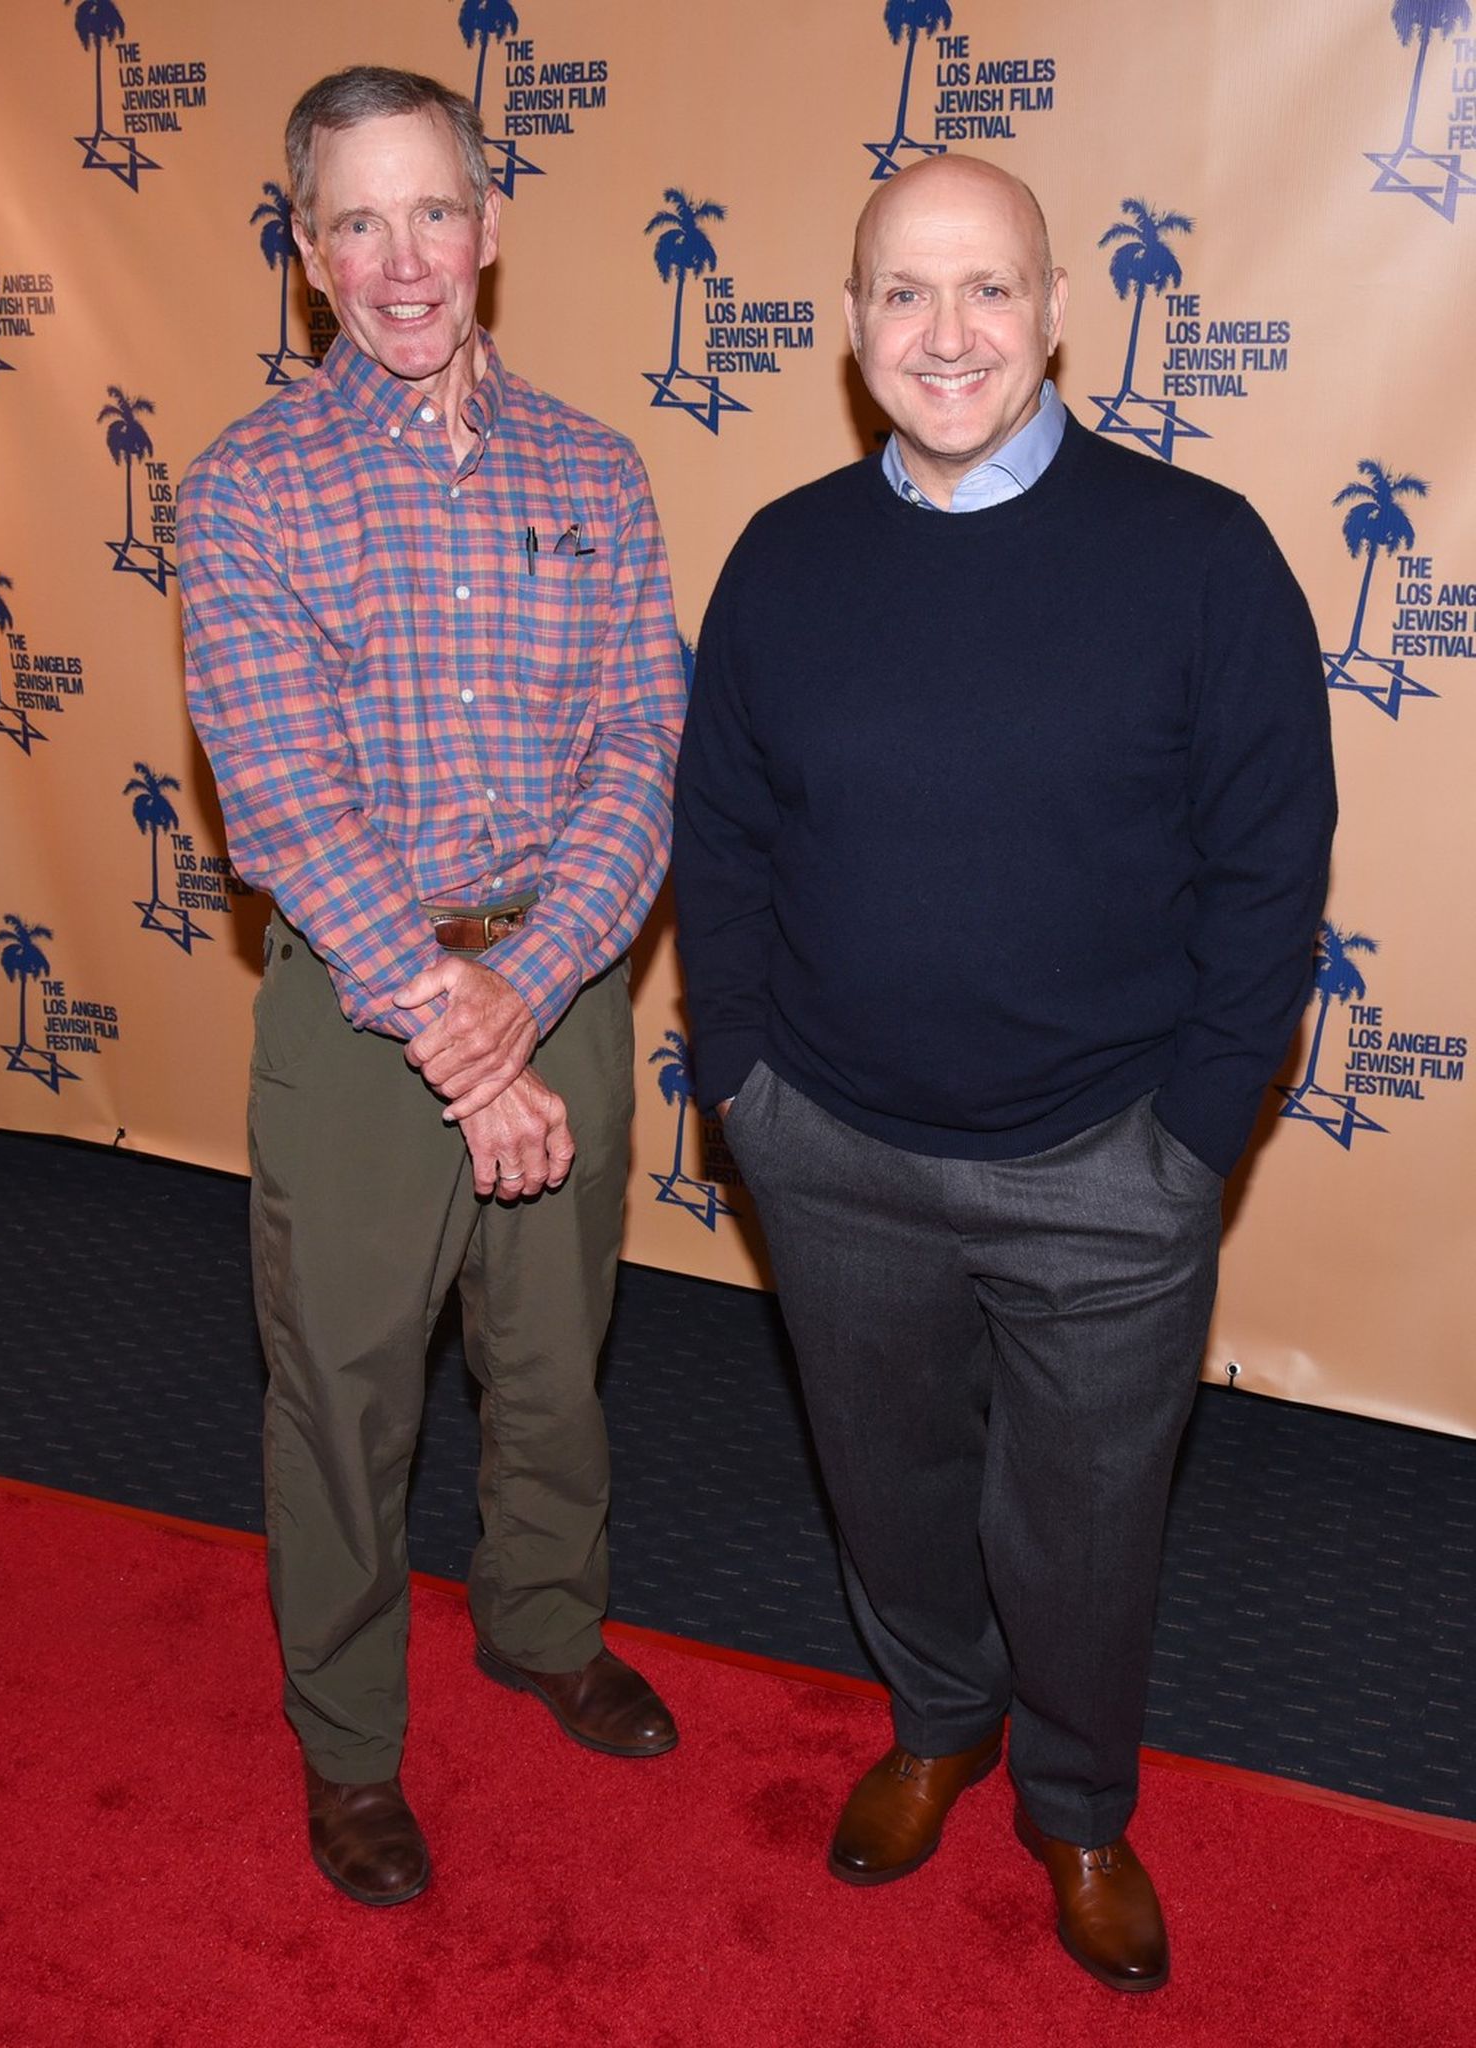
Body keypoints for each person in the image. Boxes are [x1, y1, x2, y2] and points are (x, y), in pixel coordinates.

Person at [672, 155, 1334, 1992]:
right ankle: (938, 1721)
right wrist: (747, 1081)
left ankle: (1078, 1802)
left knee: (1088, 1524)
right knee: (884, 1480)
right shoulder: (785, 555)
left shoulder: (1202, 556)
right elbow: (720, 835)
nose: (946, 332)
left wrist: (1190, 1137)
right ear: (852, 324)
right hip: (830, 1145)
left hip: (1107, 1162)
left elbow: (1270, 867)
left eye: (987, 289)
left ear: (1054, 313)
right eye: (904, 291)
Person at [179, 67, 686, 1908]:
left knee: (555, 1359)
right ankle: (346, 1742)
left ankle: (545, 1624)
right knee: (345, 1391)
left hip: (565, 983)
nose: (403, 262)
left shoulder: (597, 471)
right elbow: (283, 801)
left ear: (489, 226)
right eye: (358, 224)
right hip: (354, 1009)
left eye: (433, 213)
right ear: (308, 255)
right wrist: (466, 1044)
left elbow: (642, 750)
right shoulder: (246, 487)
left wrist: (528, 991)